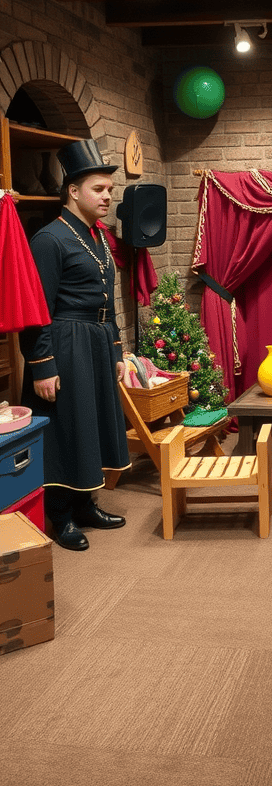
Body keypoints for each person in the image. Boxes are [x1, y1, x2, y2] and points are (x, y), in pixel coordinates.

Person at [19, 140, 131, 551]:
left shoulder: (99, 238)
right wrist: (42, 364)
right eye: (99, 189)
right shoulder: (49, 240)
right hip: (65, 346)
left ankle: (86, 504)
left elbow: (108, 299)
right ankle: (61, 515)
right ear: (73, 190)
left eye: (109, 191)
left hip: (97, 344)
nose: (106, 197)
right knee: (66, 429)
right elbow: (35, 310)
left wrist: (117, 351)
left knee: (92, 425)